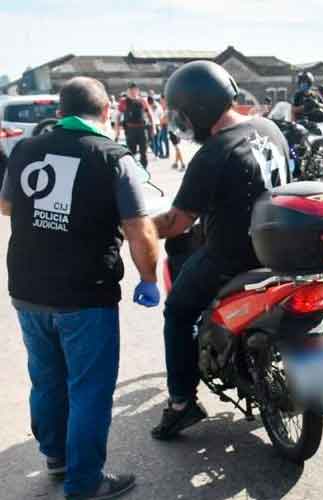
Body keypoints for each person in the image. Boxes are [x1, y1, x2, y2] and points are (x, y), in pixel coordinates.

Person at [0, 76, 160, 500]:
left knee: (47, 378)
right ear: (107, 111)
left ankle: (56, 458)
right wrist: (148, 277)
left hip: (28, 288)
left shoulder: (27, 149)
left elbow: (6, 205)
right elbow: (140, 231)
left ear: (60, 111)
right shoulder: (113, 157)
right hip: (85, 293)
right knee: (89, 387)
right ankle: (85, 482)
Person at [150, 61, 289, 439]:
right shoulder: (270, 128)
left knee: (177, 313)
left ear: (195, 111)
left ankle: (181, 403)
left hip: (233, 256)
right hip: (278, 248)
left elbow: (178, 223)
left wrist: (137, 228)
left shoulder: (214, 152)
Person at [116, 83, 155, 169]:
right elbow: (118, 116)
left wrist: (153, 128)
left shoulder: (143, 101)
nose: (133, 92)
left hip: (141, 129)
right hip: (130, 129)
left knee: (143, 152)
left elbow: (150, 114)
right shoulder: (123, 101)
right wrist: (117, 130)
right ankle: (133, 170)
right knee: (131, 152)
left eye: (134, 90)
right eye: (131, 90)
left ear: (137, 91)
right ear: (128, 91)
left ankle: (144, 169)